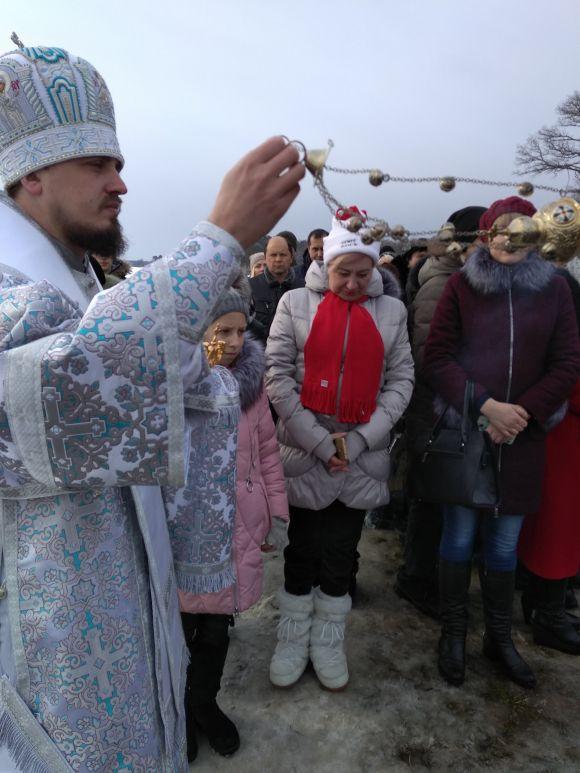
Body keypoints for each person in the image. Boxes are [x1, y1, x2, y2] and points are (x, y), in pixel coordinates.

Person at [0, 42, 304, 773]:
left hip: (120, 608)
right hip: (48, 644)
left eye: (121, 164)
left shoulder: (80, 278)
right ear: (30, 175)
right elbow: (53, 396)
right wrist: (219, 241)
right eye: (98, 164)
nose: (121, 184)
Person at [423, 196, 580, 690]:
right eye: (497, 230)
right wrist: (485, 405)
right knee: (460, 537)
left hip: (524, 437)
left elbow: (567, 363)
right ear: (485, 235)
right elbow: (437, 357)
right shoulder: (461, 285)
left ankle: (499, 636)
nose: (506, 240)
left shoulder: (554, 290)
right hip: (469, 432)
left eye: (517, 230)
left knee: (505, 543)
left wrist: (522, 413)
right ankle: (453, 633)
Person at [266, 210, 414, 691]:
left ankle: (328, 641)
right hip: (304, 449)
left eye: (362, 273)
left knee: (340, 552)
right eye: (341, 272)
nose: (351, 283)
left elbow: (401, 380)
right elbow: (278, 376)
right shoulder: (293, 303)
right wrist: (317, 438)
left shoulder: (392, 312)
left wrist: (360, 438)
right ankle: (292, 638)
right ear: (325, 265)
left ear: (375, 269)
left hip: (361, 454)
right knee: (302, 548)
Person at [172, 278, 289, 761]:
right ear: (200, 332)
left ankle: (204, 704)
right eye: (225, 330)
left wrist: (276, 513)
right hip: (186, 529)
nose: (237, 342)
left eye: (243, 330)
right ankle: (178, 708)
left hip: (236, 527)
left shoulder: (251, 387)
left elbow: (266, 453)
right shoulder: (175, 387)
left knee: (218, 630)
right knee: (179, 630)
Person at [395, 207, 485, 619]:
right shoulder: (441, 283)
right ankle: (416, 579)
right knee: (430, 498)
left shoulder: (463, 279)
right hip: (435, 410)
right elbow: (430, 356)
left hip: (453, 408)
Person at [518, 267, 580, 655]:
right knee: (557, 531)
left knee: (550, 530)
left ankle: (543, 604)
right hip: (563, 439)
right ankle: (549, 616)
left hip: (557, 437)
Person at [249, 233, 304, 340]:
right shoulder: (251, 287)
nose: (278, 259)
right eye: (273, 255)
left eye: (283, 255)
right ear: (265, 257)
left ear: (291, 257)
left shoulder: (303, 288)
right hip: (261, 351)